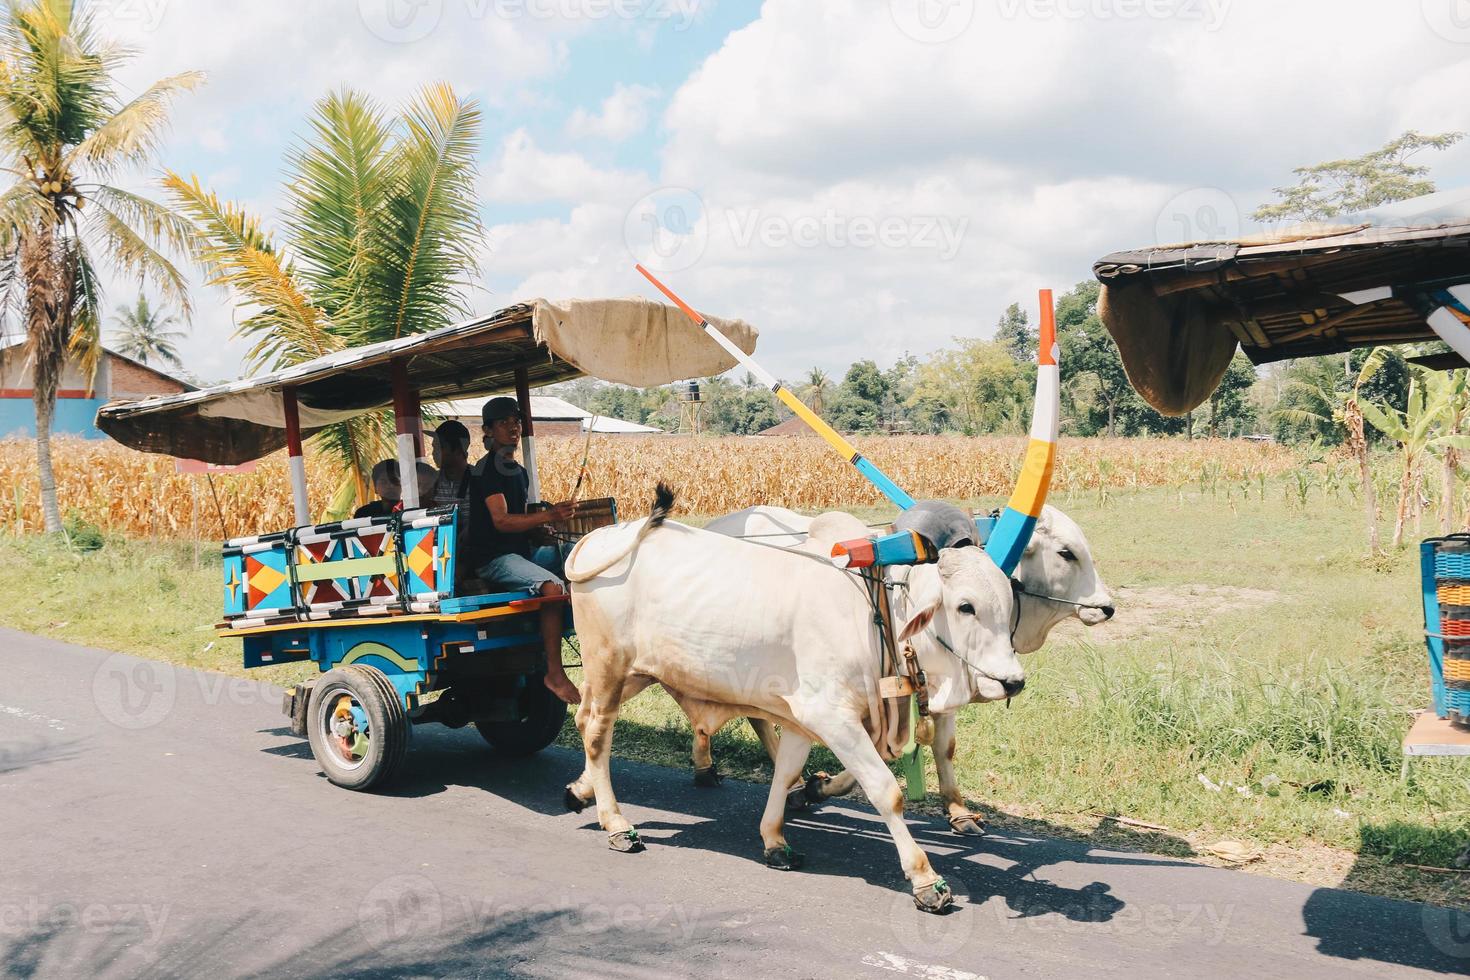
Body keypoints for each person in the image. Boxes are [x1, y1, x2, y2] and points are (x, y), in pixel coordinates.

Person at [465, 396, 580, 704]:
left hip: (520, 553)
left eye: (515, 421)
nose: (512, 428)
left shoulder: (518, 471)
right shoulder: (486, 470)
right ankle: (554, 673)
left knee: (581, 553)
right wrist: (549, 515)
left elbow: (521, 520)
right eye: (503, 423)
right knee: (553, 588)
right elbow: (501, 522)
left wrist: (539, 530)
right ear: (487, 431)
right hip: (494, 559)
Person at [428, 419, 473, 511]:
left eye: (439, 447)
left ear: (458, 450)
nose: (433, 453)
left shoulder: (480, 481)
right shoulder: (432, 482)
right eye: (433, 447)